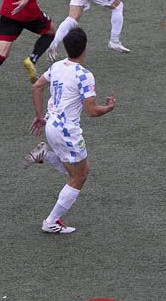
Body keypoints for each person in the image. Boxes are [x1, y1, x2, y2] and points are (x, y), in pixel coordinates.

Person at [22, 26, 116, 234]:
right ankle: (51, 222)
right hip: (66, 132)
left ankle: (46, 153)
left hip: (51, 125)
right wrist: (108, 108)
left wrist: (39, 116)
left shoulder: (56, 67)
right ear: (85, 48)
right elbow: (92, 111)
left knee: (82, 170)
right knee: (78, 177)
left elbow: (37, 86)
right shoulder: (84, 75)